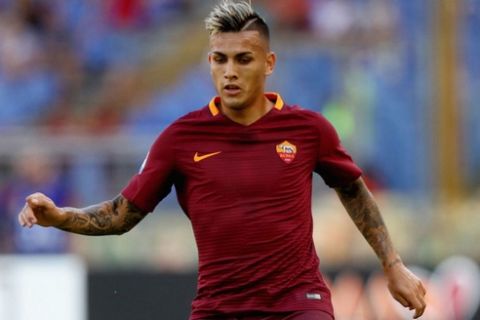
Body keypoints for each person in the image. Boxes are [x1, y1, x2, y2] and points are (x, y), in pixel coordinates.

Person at [18, 1, 426, 319]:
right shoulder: (180, 138)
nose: (229, 71)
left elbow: (353, 189)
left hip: (298, 304)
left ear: (268, 64)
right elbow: (123, 214)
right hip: (220, 308)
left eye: (243, 59)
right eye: (220, 59)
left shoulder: (308, 129)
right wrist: (61, 217)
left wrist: (392, 264)